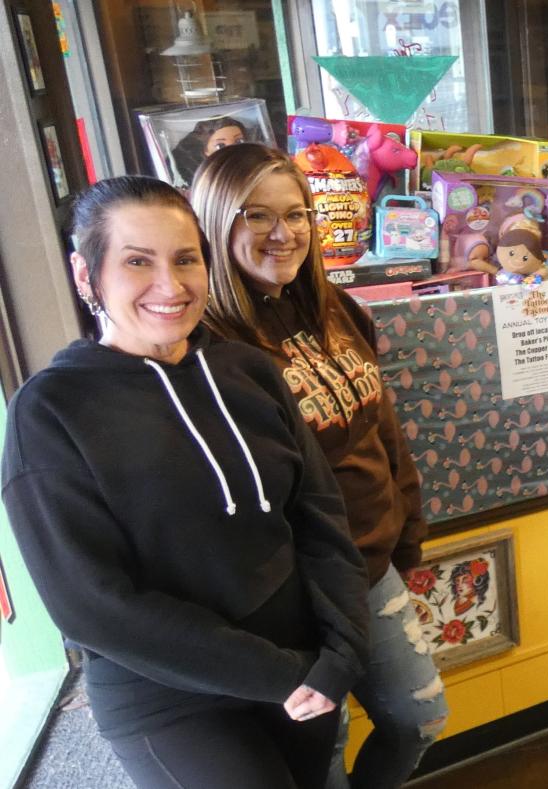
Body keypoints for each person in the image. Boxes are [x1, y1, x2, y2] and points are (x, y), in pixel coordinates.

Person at [2, 176, 370, 788]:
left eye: (186, 259)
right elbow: (91, 604)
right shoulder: (50, 410)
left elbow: (319, 515)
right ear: (85, 274)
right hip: (168, 696)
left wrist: (344, 648)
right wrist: (280, 674)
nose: (170, 287)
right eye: (137, 262)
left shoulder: (248, 369)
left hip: (302, 666)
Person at [191, 143, 447, 788]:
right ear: (214, 223)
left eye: (298, 213)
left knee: (420, 720)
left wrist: (408, 533)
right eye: (255, 216)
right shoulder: (208, 346)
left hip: (371, 567)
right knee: (319, 756)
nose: (284, 234)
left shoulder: (334, 307)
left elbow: (384, 430)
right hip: (291, 595)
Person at [170, 116, 251, 186]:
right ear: (205, 151)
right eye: (220, 145)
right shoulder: (207, 180)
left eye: (239, 141)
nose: (233, 149)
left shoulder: (251, 170)